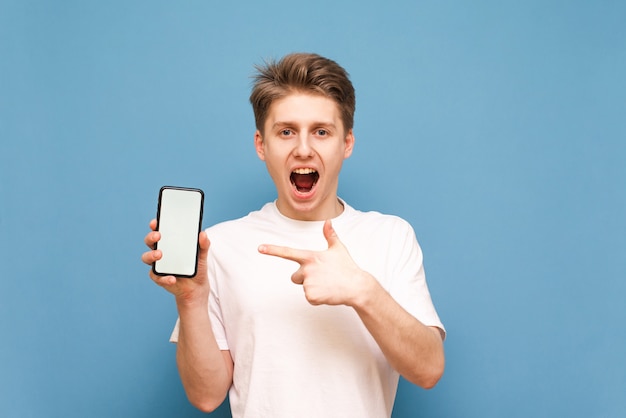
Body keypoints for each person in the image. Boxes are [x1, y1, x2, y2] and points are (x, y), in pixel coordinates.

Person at [142, 52, 445, 418]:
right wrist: (190, 300)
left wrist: (363, 291)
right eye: (286, 132)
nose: (303, 149)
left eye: (321, 131)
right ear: (261, 145)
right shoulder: (220, 246)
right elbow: (206, 396)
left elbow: (429, 370)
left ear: (346, 143)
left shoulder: (390, 236)